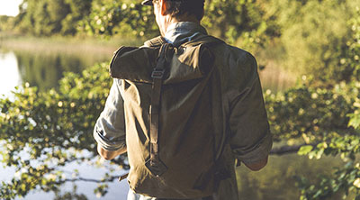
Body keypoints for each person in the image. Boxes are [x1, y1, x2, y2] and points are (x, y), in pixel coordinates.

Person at [93, 0, 273, 199]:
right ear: (201, 9)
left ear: (162, 5)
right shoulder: (237, 63)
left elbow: (106, 150)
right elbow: (256, 161)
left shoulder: (135, 64)